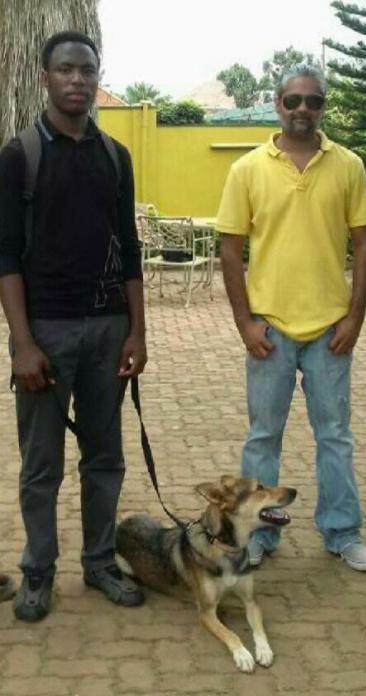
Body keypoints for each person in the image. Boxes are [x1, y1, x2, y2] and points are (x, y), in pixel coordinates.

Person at [0, 31, 147, 621]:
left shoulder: (116, 156)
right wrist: (23, 343)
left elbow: (130, 248)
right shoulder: (19, 156)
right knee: (41, 464)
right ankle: (38, 572)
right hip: (47, 332)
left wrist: (138, 332)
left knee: (105, 457)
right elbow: (6, 255)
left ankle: (101, 562)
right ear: (46, 77)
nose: (78, 80)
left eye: (87, 70)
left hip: (109, 328)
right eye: (66, 70)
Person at [216, 63, 366, 572]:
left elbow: (365, 243)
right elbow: (229, 248)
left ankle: (342, 531)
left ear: (323, 107)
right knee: (263, 437)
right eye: (293, 101)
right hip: (271, 330)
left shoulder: (347, 165)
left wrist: (354, 318)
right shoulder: (247, 169)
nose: (303, 109)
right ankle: (257, 537)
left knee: (335, 435)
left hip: (330, 330)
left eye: (313, 101)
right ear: (277, 104)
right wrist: (246, 323)